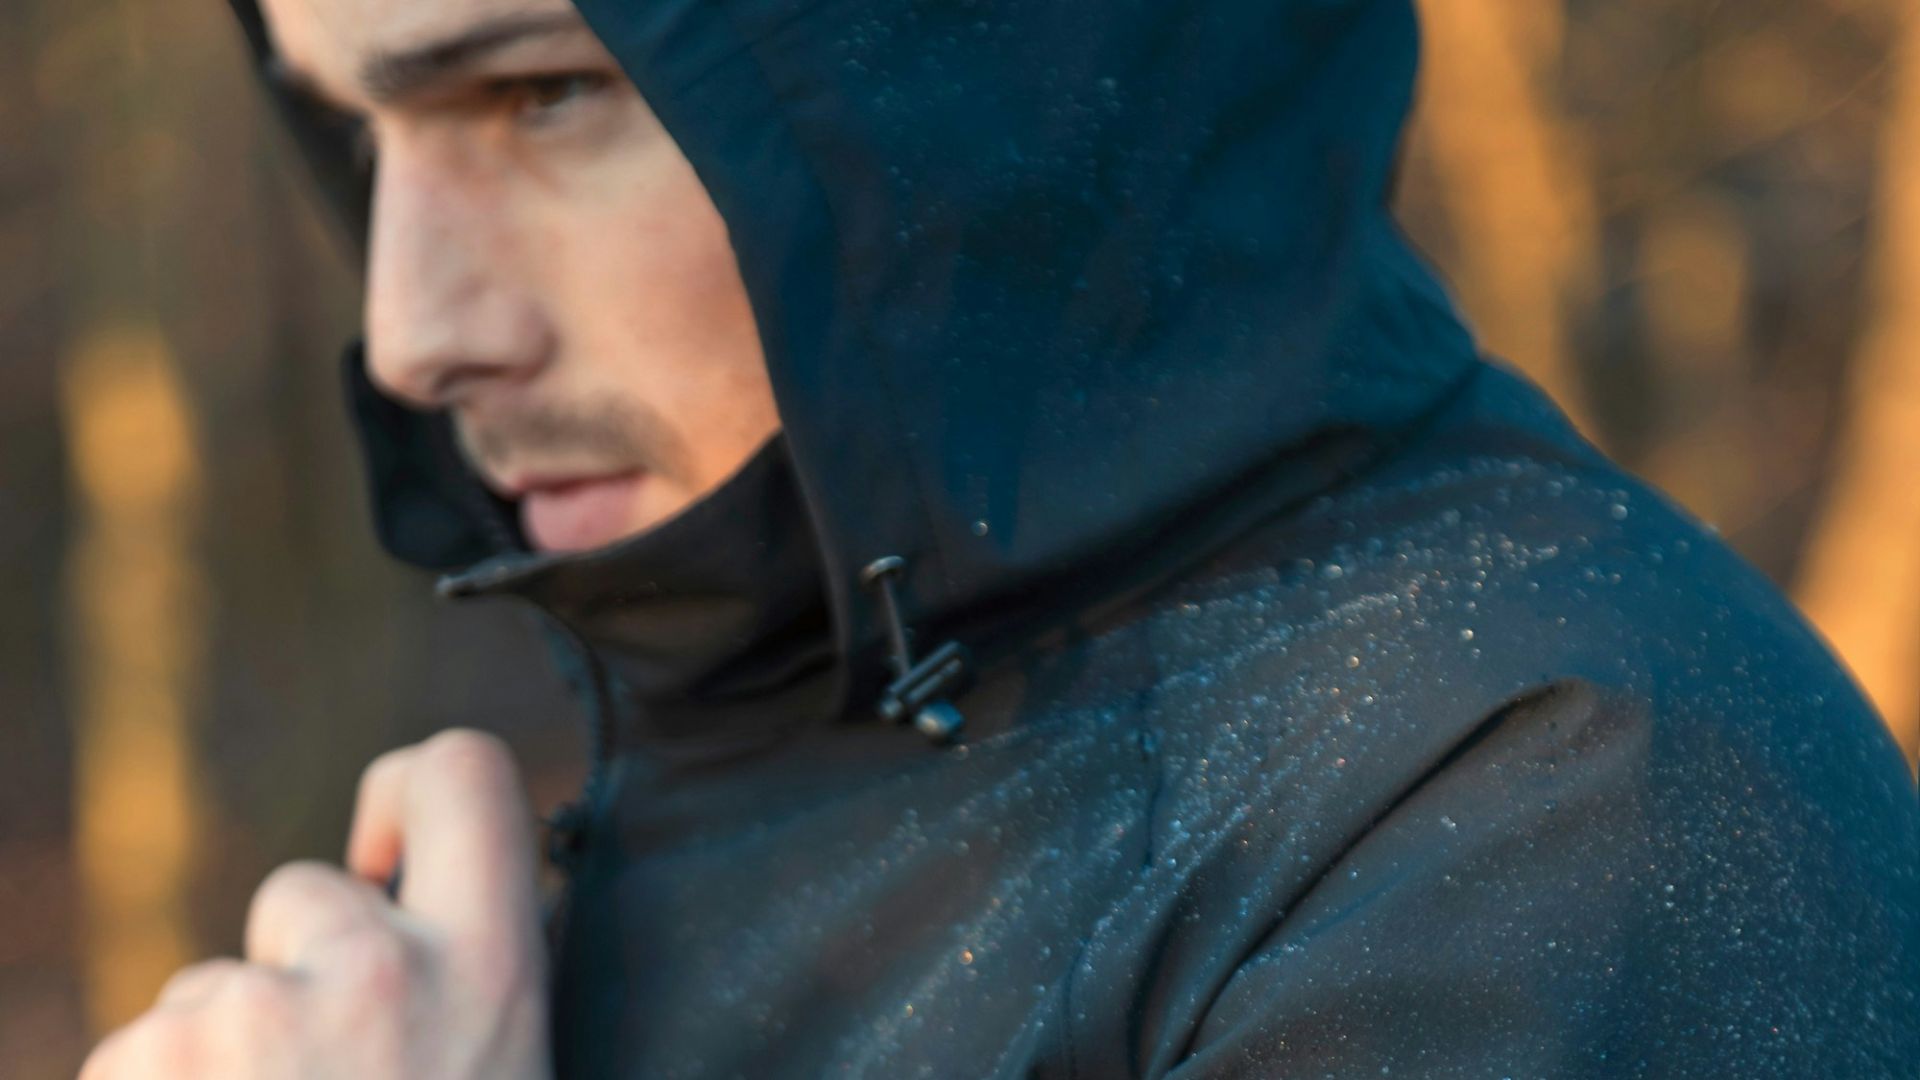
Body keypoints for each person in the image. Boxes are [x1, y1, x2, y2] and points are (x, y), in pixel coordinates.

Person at [81, 0, 1917, 1076]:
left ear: (972, 68)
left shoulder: (1554, 811)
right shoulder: (770, 703)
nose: (412, 328)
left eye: (544, 94)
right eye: (359, 135)